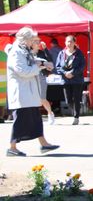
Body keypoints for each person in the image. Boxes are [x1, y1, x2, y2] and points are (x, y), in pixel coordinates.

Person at [6, 27, 59, 156]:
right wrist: (38, 67)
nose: (32, 43)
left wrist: (43, 63)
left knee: (36, 118)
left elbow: (31, 62)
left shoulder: (24, 50)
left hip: (28, 92)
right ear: (25, 39)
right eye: (31, 40)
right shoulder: (16, 52)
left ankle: (44, 143)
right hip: (21, 92)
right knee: (20, 120)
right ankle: (12, 148)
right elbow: (23, 71)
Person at [55, 35, 86, 125]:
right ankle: (75, 112)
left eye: (71, 41)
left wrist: (72, 73)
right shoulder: (62, 53)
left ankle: (76, 117)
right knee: (68, 100)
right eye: (67, 41)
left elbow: (82, 66)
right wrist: (65, 73)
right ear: (65, 43)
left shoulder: (79, 53)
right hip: (66, 80)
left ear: (74, 43)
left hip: (77, 80)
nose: (69, 43)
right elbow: (58, 67)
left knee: (76, 98)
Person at [36, 41, 55, 125]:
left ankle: (50, 113)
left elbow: (50, 61)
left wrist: (45, 49)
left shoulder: (42, 52)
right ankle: (34, 118)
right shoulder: (27, 53)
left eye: (37, 43)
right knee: (32, 99)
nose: (36, 44)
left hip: (41, 76)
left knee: (42, 99)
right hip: (30, 77)